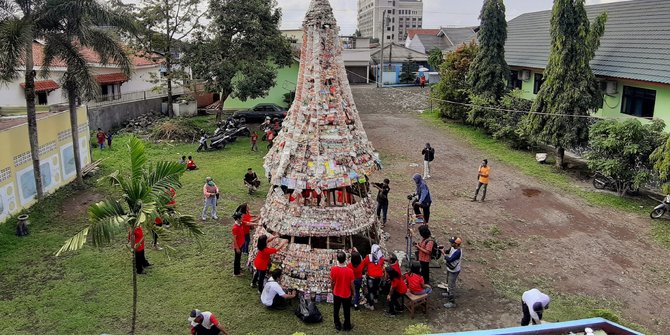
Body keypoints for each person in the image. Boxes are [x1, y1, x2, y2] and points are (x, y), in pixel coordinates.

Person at [330, 251, 355, 332]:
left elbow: (332, 282)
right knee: (346, 310)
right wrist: (353, 292)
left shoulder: (333, 269)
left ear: (337, 259)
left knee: (336, 309)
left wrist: (332, 289)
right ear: (345, 259)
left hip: (336, 292)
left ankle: (337, 325)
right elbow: (352, 284)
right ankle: (347, 326)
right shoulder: (350, 271)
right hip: (346, 294)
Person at [443, 237, 462, 308]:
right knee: (448, 281)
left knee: (451, 286)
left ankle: (452, 302)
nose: (451, 243)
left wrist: (444, 254)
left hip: (454, 271)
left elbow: (450, 259)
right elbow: (448, 251)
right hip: (450, 268)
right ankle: (448, 294)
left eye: (452, 242)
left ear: (456, 244)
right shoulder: (453, 248)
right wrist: (444, 250)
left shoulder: (458, 252)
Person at [364, 244, 385, 311]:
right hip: (379, 277)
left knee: (370, 291)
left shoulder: (368, 257)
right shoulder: (381, 258)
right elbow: (381, 265)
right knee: (376, 288)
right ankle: (375, 299)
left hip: (371, 277)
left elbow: (364, 264)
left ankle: (371, 305)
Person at [231, 212, 245, 276]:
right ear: (238, 219)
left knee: (239, 258)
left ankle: (239, 268)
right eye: (242, 217)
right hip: (238, 246)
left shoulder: (240, 224)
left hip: (241, 244)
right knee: (237, 259)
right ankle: (236, 273)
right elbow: (234, 239)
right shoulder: (235, 228)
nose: (243, 218)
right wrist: (237, 248)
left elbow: (247, 223)